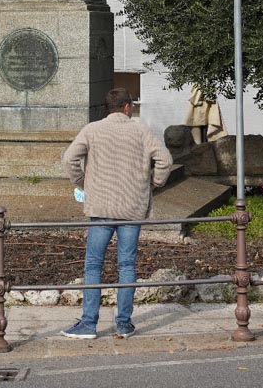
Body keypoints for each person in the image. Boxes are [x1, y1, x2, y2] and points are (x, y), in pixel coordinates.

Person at [60, 87, 173, 339]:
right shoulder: (142, 130)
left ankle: (89, 323)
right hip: (132, 208)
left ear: (109, 107)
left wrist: (83, 183)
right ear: (126, 107)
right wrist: (153, 183)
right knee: (126, 265)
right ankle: (123, 323)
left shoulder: (92, 130)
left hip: (101, 207)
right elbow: (165, 160)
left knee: (93, 265)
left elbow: (69, 159)